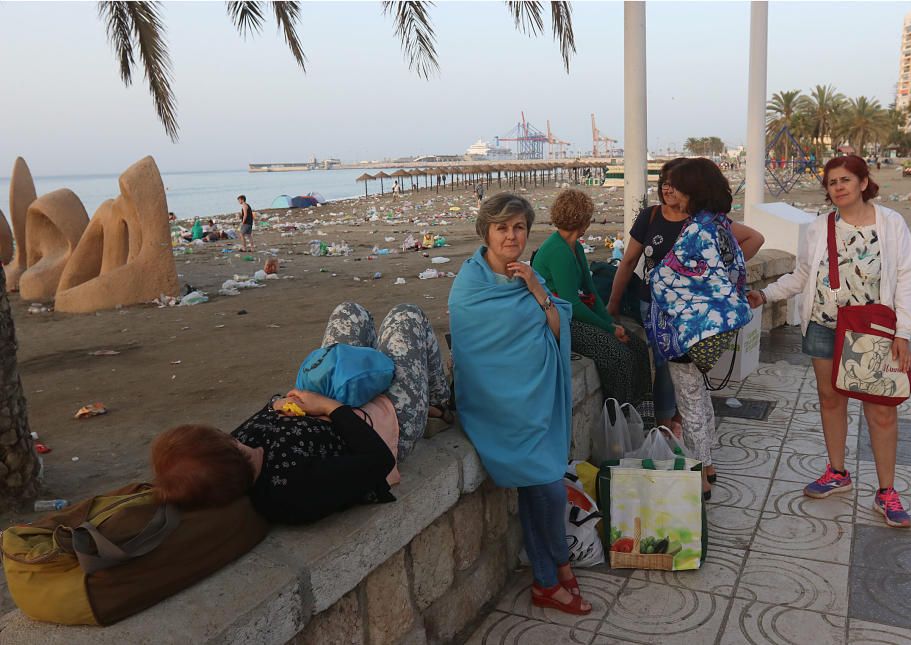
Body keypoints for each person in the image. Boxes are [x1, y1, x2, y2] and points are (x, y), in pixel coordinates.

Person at [151, 302, 452, 524]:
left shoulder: (240, 448)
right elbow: (378, 461)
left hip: (337, 397)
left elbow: (271, 411)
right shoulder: (293, 490)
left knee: (350, 312)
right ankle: (442, 402)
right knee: (405, 317)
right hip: (389, 423)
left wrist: (280, 404)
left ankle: (402, 381)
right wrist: (330, 408)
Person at [748, 155, 911, 528]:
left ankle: (887, 492)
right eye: (832, 182)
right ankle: (837, 473)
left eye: (846, 179)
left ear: (863, 182)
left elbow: (909, 275)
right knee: (831, 400)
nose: (839, 187)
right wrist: (766, 295)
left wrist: (903, 333)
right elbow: (803, 276)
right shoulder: (817, 228)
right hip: (825, 326)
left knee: (881, 409)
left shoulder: (891, 224)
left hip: (874, 331)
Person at [449, 193, 591, 616]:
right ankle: (556, 570)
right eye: (502, 228)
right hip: (495, 408)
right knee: (547, 487)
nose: (511, 236)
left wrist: (535, 288)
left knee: (537, 488)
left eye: (519, 228)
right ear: (486, 232)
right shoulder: (469, 287)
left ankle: (548, 579)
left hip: (537, 401)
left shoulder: (528, 275)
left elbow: (558, 324)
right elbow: (475, 357)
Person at [607, 159, 764, 436]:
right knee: (672, 371)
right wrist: (613, 303)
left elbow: (753, 240)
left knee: (684, 376)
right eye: (665, 184)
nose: (669, 189)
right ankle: (671, 427)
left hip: (690, 313)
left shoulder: (701, 223)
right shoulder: (653, 217)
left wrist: (716, 281)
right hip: (656, 307)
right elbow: (629, 261)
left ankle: (682, 435)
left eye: (675, 184)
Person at [644, 158, 753, 500]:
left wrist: (657, 279)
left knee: (689, 400)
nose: (671, 190)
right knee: (702, 396)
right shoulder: (720, 226)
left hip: (686, 330)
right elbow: (731, 273)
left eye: (678, 185)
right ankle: (709, 465)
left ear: (693, 190)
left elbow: (666, 279)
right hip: (712, 329)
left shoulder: (696, 231)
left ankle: (699, 477)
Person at [531, 189, 651, 406]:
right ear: (584, 221)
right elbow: (572, 305)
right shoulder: (558, 251)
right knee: (619, 358)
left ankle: (642, 415)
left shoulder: (574, 246)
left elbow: (590, 290)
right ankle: (619, 417)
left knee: (639, 348)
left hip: (574, 314)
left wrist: (608, 320)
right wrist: (609, 329)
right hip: (560, 321)